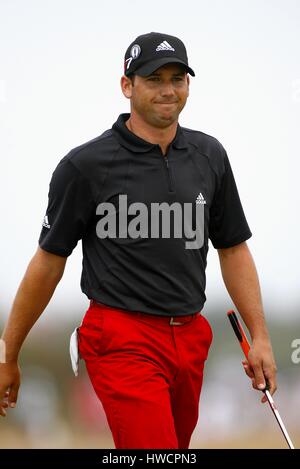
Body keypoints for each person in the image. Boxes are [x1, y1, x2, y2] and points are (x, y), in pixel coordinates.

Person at [0, 32, 277, 449]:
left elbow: (233, 247)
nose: (168, 90)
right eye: (154, 78)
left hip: (189, 337)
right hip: (121, 337)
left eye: (177, 78)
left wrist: (261, 337)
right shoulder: (85, 166)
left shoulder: (210, 157)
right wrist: (9, 354)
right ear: (127, 85)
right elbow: (48, 262)